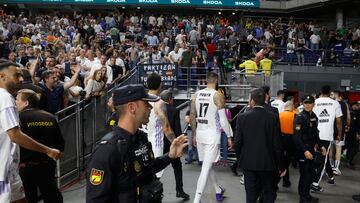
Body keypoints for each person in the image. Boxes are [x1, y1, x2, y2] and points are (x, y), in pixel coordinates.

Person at [86, 84, 188, 203]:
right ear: (132, 107)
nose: (150, 107)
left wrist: (170, 156)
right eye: (146, 103)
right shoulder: (106, 151)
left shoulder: (140, 138)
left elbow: (148, 169)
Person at [0, 59, 60, 203]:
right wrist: (48, 150)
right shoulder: (6, 97)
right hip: (4, 171)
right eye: (16, 75)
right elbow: (15, 135)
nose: (21, 79)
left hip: (11, 171)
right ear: (2, 76)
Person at [234, 88, 285, 203]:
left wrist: (241, 159)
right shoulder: (273, 118)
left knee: (250, 197)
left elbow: (237, 143)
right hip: (268, 164)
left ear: (252, 101)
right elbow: (277, 145)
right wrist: (281, 165)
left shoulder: (242, 117)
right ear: (265, 99)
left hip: (249, 164)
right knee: (268, 195)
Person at [190, 72, 233, 203]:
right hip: (212, 135)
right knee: (205, 168)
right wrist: (230, 135)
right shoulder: (218, 95)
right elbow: (223, 120)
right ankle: (196, 200)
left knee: (207, 166)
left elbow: (192, 115)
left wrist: (194, 134)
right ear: (216, 80)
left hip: (200, 133)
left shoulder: (196, 94)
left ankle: (218, 189)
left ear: (206, 81)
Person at [16, 89, 64, 203]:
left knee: (28, 197)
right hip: (47, 165)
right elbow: (60, 143)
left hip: (25, 168)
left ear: (26, 103)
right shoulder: (50, 117)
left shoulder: (18, 118)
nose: (15, 103)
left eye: (17, 100)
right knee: (52, 196)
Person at [293, 95, 326, 203]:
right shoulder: (299, 117)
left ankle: (307, 195)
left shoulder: (314, 117)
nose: (307, 105)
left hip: (311, 149)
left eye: (310, 103)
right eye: (305, 103)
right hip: (303, 151)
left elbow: (316, 134)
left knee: (311, 174)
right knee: (305, 175)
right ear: (302, 104)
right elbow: (297, 137)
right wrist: (305, 151)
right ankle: (303, 198)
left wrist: (321, 146)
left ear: (313, 104)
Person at [311, 85, 342, 192]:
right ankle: (315, 184)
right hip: (326, 135)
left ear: (321, 91)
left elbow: (311, 117)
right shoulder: (335, 103)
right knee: (322, 160)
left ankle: (330, 176)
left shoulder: (315, 102)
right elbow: (338, 122)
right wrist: (339, 134)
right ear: (330, 92)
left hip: (314, 134)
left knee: (319, 157)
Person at [160, 90, 190, 200]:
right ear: (170, 99)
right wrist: (180, 145)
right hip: (171, 143)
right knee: (177, 168)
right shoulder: (174, 110)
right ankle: (179, 190)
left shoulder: (155, 109)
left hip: (160, 143)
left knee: (156, 167)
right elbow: (177, 128)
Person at [145, 73, 176, 178]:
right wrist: (175, 142)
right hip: (155, 144)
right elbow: (166, 127)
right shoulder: (159, 102)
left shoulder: (141, 100)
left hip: (142, 143)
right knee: (155, 177)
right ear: (160, 85)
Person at [329, 90, 350, 175]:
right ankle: (336, 168)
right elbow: (348, 117)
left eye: (331, 94)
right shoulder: (345, 104)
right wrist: (347, 125)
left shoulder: (331, 103)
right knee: (338, 148)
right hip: (341, 130)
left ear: (334, 95)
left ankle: (331, 166)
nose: (330, 96)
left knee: (331, 148)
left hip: (331, 130)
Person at [279, 101, 296, 187]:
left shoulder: (279, 115)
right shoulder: (294, 115)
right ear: (291, 106)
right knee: (287, 160)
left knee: (281, 160)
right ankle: (284, 179)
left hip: (280, 139)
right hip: (291, 139)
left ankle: (285, 180)